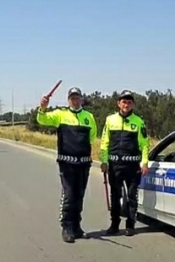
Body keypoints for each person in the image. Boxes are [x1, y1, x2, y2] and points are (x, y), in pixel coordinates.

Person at [37, 87, 98, 243]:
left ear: (81, 99)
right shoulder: (60, 114)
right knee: (69, 195)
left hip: (84, 164)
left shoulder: (89, 117)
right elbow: (42, 120)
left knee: (79, 196)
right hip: (67, 164)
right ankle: (66, 227)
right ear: (68, 100)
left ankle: (77, 227)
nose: (75, 100)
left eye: (77, 97)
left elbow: (91, 138)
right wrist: (43, 107)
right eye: (72, 98)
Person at [99, 89, 150, 236]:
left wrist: (144, 163)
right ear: (118, 104)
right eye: (124, 101)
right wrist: (104, 161)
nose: (126, 104)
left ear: (132, 104)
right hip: (115, 166)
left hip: (133, 166)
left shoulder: (139, 122)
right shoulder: (110, 120)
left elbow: (144, 144)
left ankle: (130, 225)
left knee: (132, 196)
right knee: (115, 196)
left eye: (129, 102)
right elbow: (104, 142)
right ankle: (114, 225)